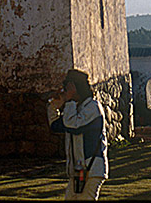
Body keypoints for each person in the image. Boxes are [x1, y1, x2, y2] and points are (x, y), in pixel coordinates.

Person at [47, 68, 108, 201]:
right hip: (79, 171)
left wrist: (69, 101)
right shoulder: (75, 109)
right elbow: (56, 126)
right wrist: (55, 105)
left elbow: (73, 126)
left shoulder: (93, 108)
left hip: (92, 170)